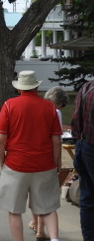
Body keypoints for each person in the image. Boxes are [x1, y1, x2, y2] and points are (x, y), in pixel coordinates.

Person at [0, 71, 62, 241]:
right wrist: (57, 162)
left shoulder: (9, 105)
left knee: (14, 210)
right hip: (45, 163)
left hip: (16, 163)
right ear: (37, 86)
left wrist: (2, 161)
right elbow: (56, 140)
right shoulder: (50, 108)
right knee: (47, 207)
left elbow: (0, 139)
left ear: (19, 89)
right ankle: (54, 239)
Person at [28, 86, 69, 239]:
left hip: (29, 155)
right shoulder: (54, 112)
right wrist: (58, 162)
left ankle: (35, 222)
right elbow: (56, 138)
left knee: (33, 193)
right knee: (45, 196)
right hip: (46, 156)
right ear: (58, 102)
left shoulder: (33, 107)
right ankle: (41, 230)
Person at [72, 76, 94, 241]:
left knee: (87, 197)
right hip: (87, 144)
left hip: (83, 145)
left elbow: (75, 121)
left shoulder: (86, 87)